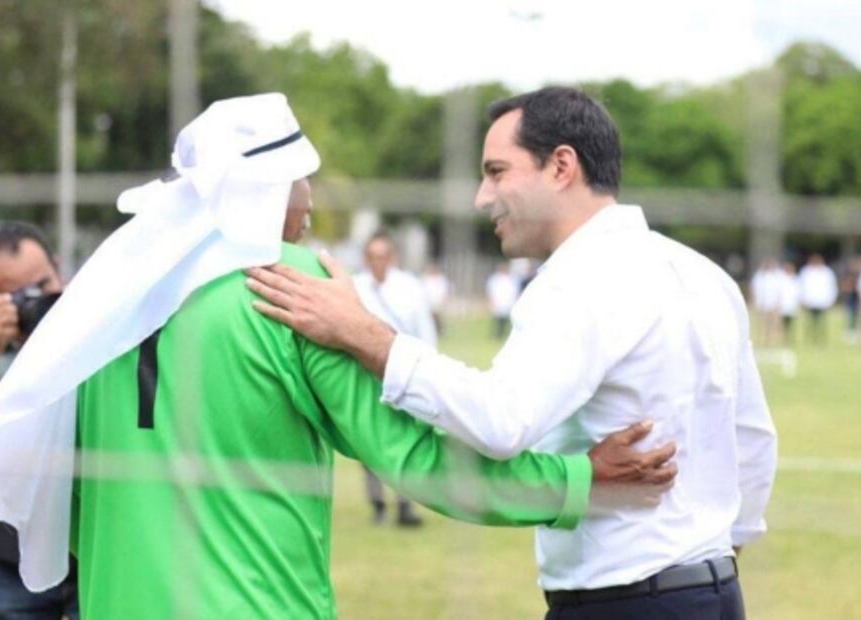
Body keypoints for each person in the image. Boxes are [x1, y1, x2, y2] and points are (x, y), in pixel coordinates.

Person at [15, 94, 672, 618]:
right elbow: (420, 461)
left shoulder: (105, 300)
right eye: (304, 184)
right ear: (271, 188)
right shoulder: (291, 287)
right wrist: (578, 481)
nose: (308, 207)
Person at [248, 86, 778, 619]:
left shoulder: (579, 279)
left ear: (561, 166)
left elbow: (501, 421)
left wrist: (367, 337)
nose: (482, 197)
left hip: (624, 601)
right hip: (715, 593)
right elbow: (752, 441)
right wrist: (713, 559)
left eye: (497, 171)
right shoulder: (703, 275)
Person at [0, 223, 78, 620]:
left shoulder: (95, 324)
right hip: (16, 546)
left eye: (42, 285)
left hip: (92, 542)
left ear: (59, 269)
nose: (35, 304)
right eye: (15, 297)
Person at [353, 231, 437, 526]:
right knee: (367, 442)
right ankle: (377, 505)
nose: (378, 262)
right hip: (366, 376)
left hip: (403, 374)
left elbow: (425, 331)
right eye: (372, 257)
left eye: (383, 256)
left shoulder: (409, 288)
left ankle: (405, 506)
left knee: (406, 442)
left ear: (392, 257)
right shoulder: (355, 287)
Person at [797, 253, 837, 344]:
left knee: (822, 323)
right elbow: (801, 286)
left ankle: (821, 340)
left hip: (822, 301)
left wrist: (830, 300)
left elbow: (831, 287)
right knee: (809, 322)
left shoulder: (827, 272)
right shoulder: (805, 271)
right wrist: (802, 299)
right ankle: (810, 339)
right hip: (810, 301)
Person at [750, 258, 783, 347]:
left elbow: (779, 292)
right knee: (761, 324)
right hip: (761, 304)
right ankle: (759, 342)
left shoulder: (776, 276)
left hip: (772, 304)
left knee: (771, 325)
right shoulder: (759, 276)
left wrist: (778, 304)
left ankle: (769, 342)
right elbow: (754, 290)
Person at [485, 261, 519, 339]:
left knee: (508, 320)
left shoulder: (512, 278)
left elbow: (515, 290)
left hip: (509, 302)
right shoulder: (495, 279)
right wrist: (492, 300)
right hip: (498, 302)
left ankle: (506, 335)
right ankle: (496, 334)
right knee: (497, 320)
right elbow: (491, 290)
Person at [421, 262, 450, 335]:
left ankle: (441, 332)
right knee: (430, 319)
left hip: (439, 301)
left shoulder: (441, 279)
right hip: (429, 302)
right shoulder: (425, 279)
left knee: (439, 319)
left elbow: (445, 290)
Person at [778, 261, 800, 345]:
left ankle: (791, 338)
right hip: (783, 305)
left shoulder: (795, 279)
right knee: (783, 324)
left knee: (792, 323)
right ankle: (784, 339)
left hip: (792, 305)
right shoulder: (781, 279)